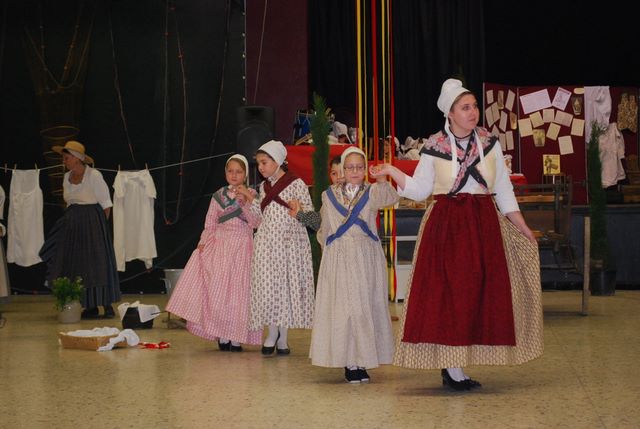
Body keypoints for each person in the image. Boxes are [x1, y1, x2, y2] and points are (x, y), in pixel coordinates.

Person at [371, 78, 543, 391]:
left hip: (483, 225)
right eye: (465, 107)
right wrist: (392, 171)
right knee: (452, 296)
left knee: (478, 294)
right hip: (447, 228)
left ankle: (459, 363)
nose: (473, 111)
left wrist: (522, 227)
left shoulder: (489, 143)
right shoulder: (434, 146)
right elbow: (420, 190)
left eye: (474, 106)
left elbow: (502, 189)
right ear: (449, 113)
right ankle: (453, 367)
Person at [310, 147, 399, 383]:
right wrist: (328, 254)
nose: (355, 171)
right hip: (340, 257)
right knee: (345, 311)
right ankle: (349, 362)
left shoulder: (372, 192)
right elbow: (325, 227)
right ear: (342, 169)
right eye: (350, 167)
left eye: (359, 167)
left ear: (365, 169)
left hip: (365, 256)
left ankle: (362, 360)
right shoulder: (328, 195)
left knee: (364, 309)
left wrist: (382, 179)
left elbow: (390, 198)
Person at [166, 154, 262, 351]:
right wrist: (203, 243)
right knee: (218, 291)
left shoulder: (252, 194)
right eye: (230, 171)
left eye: (239, 172)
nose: (234, 175)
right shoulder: (218, 195)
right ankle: (222, 334)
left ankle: (236, 336)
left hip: (242, 247)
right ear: (225, 173)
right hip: (221, 247)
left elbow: (256, 222)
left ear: (245, 174)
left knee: (239, 293)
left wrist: (246, 201)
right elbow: (210, 223)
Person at [246, 140, 315, 355]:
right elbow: (259, 217)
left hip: (288, 245)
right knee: (268, 288)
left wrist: (300, 212)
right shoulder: (263, 187)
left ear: (277, 161)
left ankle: (283, 338)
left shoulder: (296, 184)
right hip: (266, 245)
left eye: (264, 162)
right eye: (258, 163)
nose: (260, 167)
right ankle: (272, 333)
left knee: (284, 289)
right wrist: (250, 201)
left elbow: (312, 219)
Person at [40, 141, 120, 319]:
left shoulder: (94, 175)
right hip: (73, 224)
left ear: (77, 158)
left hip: (92, 223)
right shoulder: (66, 177)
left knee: (97, 264)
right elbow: (69, 202)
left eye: (66, 157)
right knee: (78, 264)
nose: (64, 161)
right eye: (63, 158)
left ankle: (106, 304)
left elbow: (106, 205)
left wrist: (100, 229)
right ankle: (89, 305)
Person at [288, 156, 343, 231]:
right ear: (330, 175)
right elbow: (320, 222)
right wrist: (300, 214)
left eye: (342, 172)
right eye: (334, 173)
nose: (338, 177)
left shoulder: (358, 195)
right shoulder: (328, 195)